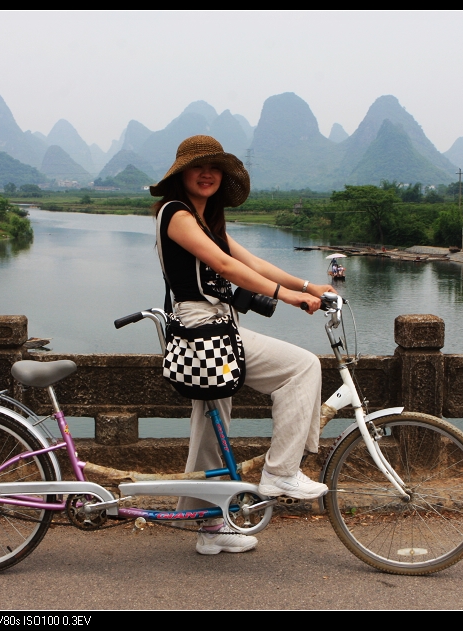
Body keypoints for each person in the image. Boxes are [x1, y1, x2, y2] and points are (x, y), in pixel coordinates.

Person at [150, 135, 333, 555]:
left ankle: (211, 524)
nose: (208, 174)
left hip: (216, 327)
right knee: (302, 367)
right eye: (199, 167)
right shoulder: (175, 214)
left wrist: (308, 286)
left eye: (215, 168)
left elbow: (253, 263)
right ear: (181, 174)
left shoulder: (204, 223)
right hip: (204, 328)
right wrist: (289, 298)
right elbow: (226, 267)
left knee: (212, 427)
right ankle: (281, 471)